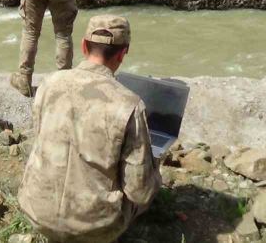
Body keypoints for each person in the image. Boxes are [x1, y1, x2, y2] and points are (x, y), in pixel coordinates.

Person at [18, 15, 162, 242]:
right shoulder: (129, 104)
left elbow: (39, 138)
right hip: (96, 229)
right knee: (147, 182)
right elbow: (139, 192)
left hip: (36, 212)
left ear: (84, 46)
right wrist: (155, 171)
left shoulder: (48, 84)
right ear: (123, 54)